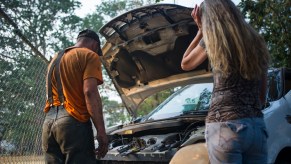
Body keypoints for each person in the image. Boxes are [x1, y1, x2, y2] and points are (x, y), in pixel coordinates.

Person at [181, 0, 270, 163]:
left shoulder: (214, 38)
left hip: (225, 127)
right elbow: (262, 97)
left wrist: (200, 31)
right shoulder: (256, 41)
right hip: (256, 127)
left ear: (209, 18)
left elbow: (186, 63)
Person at [42, 29, 108, 163]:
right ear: (95, 45)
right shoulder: (89, 55)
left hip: (48, 124)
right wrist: (101, 132)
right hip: (73, 123)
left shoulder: (55, 59)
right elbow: (90, 92)